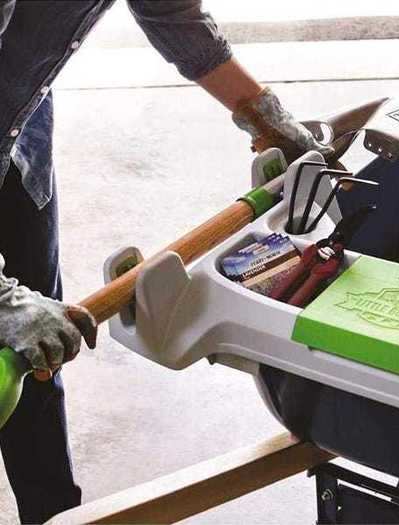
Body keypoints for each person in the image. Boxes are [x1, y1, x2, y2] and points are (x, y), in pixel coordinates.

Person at [0, 1, 329, 521]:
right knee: (17, 320)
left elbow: (170, 11)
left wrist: (262, 114)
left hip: (17, 127)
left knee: (40, 347)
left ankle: (53, 515)